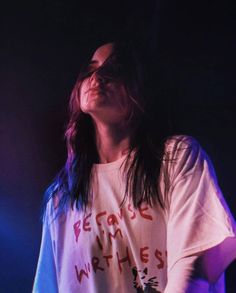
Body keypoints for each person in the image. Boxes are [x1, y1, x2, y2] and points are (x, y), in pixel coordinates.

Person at [33, 41, 236, 293]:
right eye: (91, 68)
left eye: (115, 69)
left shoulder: (176, 158)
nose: (99, 76)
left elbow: (193, 265)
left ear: (141, 90)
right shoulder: (61, 195)